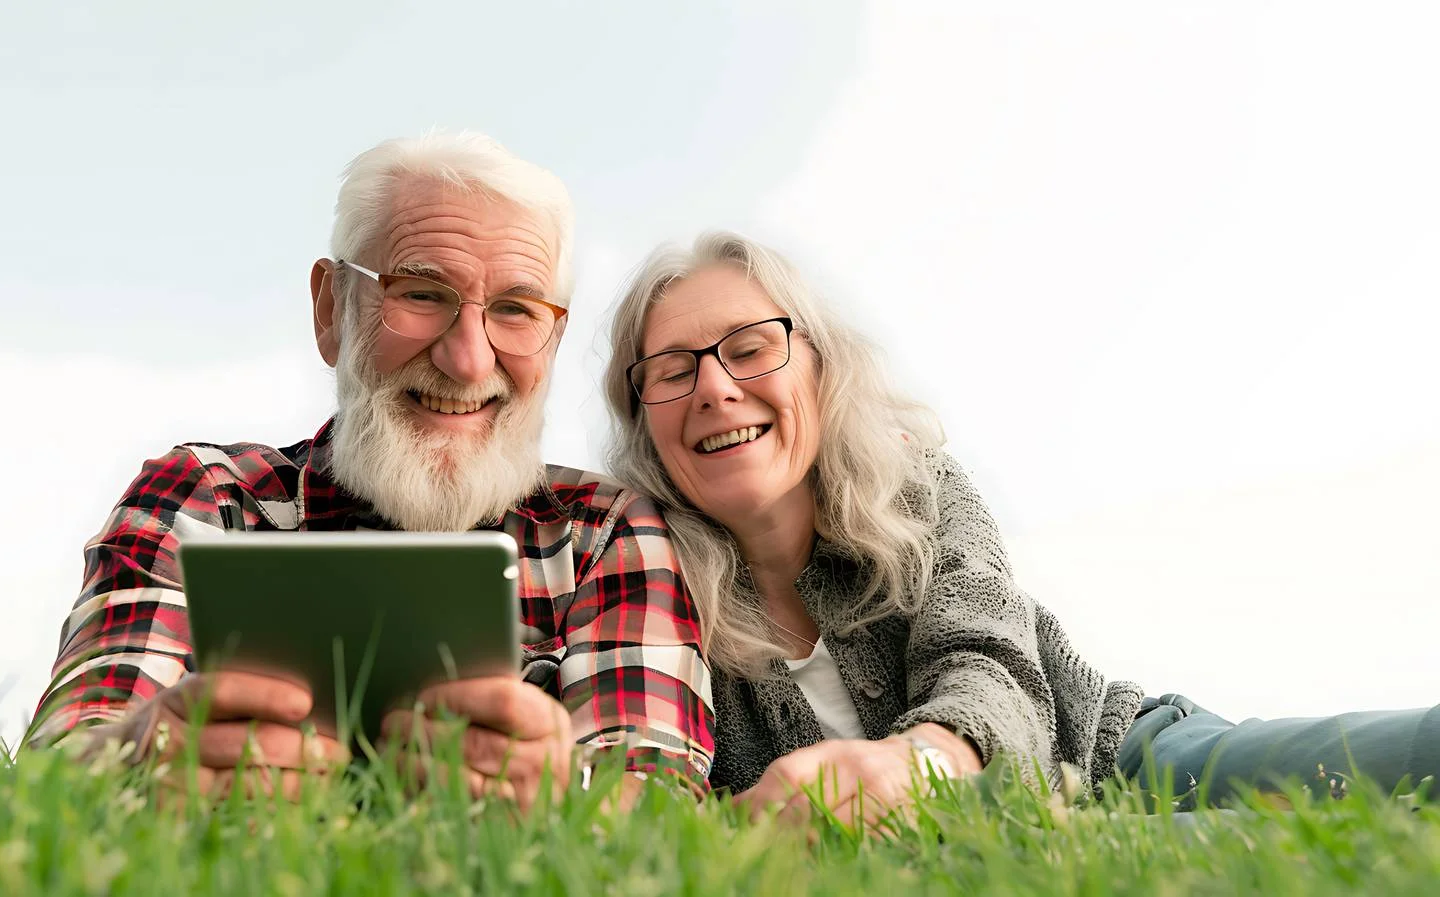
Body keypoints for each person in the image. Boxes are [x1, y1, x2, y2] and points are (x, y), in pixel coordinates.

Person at [601, 230, 1440, 826]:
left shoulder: (917, 484)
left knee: (1413, 756)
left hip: (1118, 759)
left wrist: (919, 763)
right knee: (1256, 849)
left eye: (750, 348)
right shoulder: (638, 590)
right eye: (672, 371)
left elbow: (986, 656)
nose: (714, 387)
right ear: (645, 421)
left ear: (820, 368)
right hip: (1010, 848)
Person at [24, 132, 714, 806]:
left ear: (554, 340)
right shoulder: (202, 497)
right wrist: (140, 753)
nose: (469, 359)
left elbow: (659, 803)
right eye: (420, 293)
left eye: (514, 310)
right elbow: (65, 756)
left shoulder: (602, 533)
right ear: (331, 310)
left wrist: (570, 790)